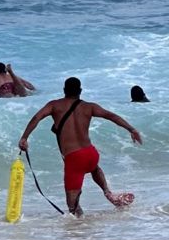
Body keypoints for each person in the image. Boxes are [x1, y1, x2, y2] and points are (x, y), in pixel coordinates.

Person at [18, 77, 141, 217]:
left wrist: (24, 138)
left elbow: (36, 118)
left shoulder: (54, 105)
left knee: (72, 207)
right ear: (80, 91)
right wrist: (132, 129)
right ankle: (108, 193)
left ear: (64, 90)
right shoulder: (89, 107)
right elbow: (111, 116)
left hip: (74, 158)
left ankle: (80, 228)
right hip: (90, 154)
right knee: (94, 168)